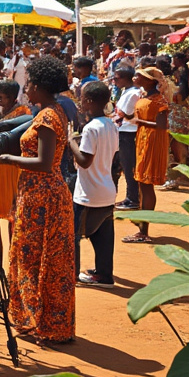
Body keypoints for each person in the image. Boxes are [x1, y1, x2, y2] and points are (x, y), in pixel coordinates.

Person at [0, 56, 76, 345]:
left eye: (29, 83)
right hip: (42, 194)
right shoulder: (54, 112)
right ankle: (47, 321)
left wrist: (8, 158)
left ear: (39, 86)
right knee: (46, 258)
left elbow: (43, 162)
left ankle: (40, 320)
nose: (25, 88)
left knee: (35, 258)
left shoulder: (46, 118)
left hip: (43, 195)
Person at [70, 81, 120, 288]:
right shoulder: (111, 124)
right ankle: (104, 274)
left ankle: (71, 274)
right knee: (104, 236)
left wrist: (70, 140)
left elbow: (84, 161)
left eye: (81, 99)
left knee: (75, 235)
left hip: (88, 193)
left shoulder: (91, 128)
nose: (80, 103)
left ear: (89, 102)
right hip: (107, 189)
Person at [0, 79, 30, 262]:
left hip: (14, 168)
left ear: (11, 97)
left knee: (13, 217)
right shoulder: (0, 117)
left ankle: (13, 259)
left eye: (0, 95)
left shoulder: (23, 114)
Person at [125, 66, 170, 244]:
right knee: (143, 184)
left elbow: (161, 125)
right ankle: (142, 223)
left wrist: (137, 121)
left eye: (140, 76)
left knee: (146, 185)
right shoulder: (146, 96)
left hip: (152, 142)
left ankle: (144, 230)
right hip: (144, 141)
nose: (136, 77)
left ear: (151, 80)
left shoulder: (159, 101)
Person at [111, 66, 142, 211]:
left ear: (125, 78)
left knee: (129, 167)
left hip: (128, 133)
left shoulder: (133, 94)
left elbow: (122, 115)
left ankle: (133, 199)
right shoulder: (127, 92)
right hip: (123, 132)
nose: (114, 80)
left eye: (117, 78)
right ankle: (130, 197)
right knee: (125, 166)